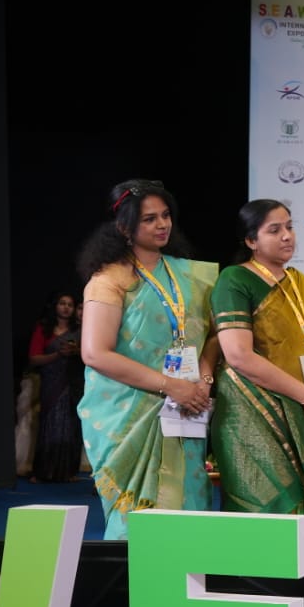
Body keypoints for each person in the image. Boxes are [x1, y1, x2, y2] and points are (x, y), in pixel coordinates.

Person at [78, 179, 219, 538]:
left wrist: (203, 378)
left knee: (189, 503)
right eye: (149, 219)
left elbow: (215, 334)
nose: (162, 225)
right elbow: (95, 353)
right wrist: (170, 385)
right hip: (131, 413)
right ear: (125, 227)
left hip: (186, 407)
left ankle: (187, 572)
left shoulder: (189, 274)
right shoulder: (109, 279)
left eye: (166, 215)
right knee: (138, 520)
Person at [210, 200, 304, 541]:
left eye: (290, 227)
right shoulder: (235, 279)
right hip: (254, 413)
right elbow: (238, 355)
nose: (287, 236)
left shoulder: (301, 283)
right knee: (269, 506)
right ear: (251, 241)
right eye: (274, 230)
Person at [27, 292, 85, 483]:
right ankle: (43, 472)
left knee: (71, 425)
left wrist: (76, 351)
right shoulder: (44, 329)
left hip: (73, 382)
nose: (66, 308)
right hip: (51, 383)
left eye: (70, 304)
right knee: (50, 424)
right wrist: (58, 355)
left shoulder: (80, 331)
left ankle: (67, 471)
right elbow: (34, 359)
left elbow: (90, 356)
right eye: (62, 303)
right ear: (55, 306)